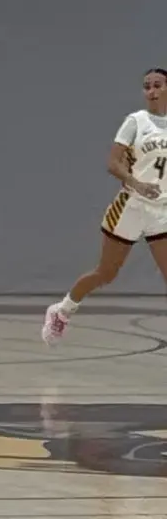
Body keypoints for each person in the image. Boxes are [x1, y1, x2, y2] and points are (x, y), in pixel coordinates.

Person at [43, 67, 167, 344]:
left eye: (158, 85)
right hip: (131, 206)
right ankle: (62, 311)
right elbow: (113, 163)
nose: (152, 91)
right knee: (106, 273)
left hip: (161, 210)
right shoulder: (136, 122)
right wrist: (137, 184)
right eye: (147, 86)